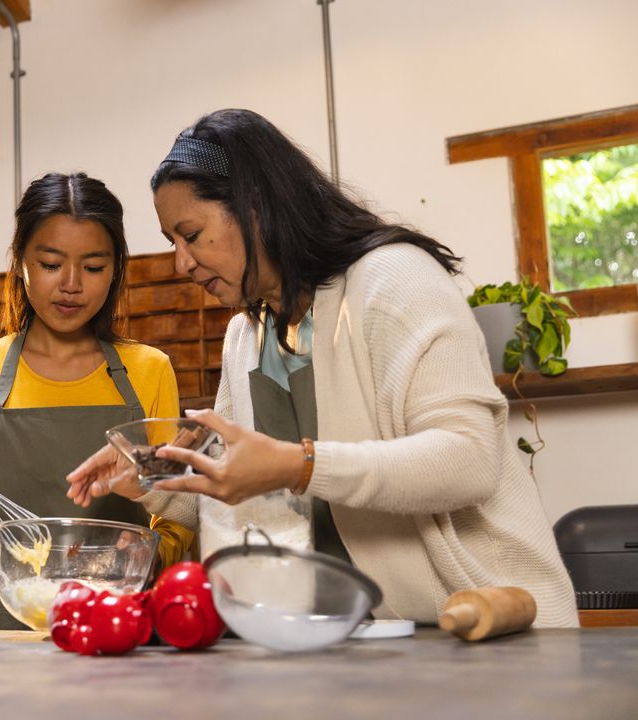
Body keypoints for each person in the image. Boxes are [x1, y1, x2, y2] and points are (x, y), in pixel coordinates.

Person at [67, 109, 578, 628]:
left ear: (256, 207)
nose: (181, 263)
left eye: (191, 234)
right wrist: (149, 477)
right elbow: (242, 494)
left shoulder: (394, 281)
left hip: (491, 626)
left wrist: (299, 465)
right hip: (369, 635)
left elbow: (467, 461)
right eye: (173, 241)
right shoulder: (246, 336)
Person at [0, 172, 193, 629]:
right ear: (21, 262)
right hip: (11, 636)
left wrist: (146, 558)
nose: (71, 284)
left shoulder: (149, 370)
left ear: (115, 270)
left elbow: (178, 515)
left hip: (117, 629)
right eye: (50, 264)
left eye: (93, 267)